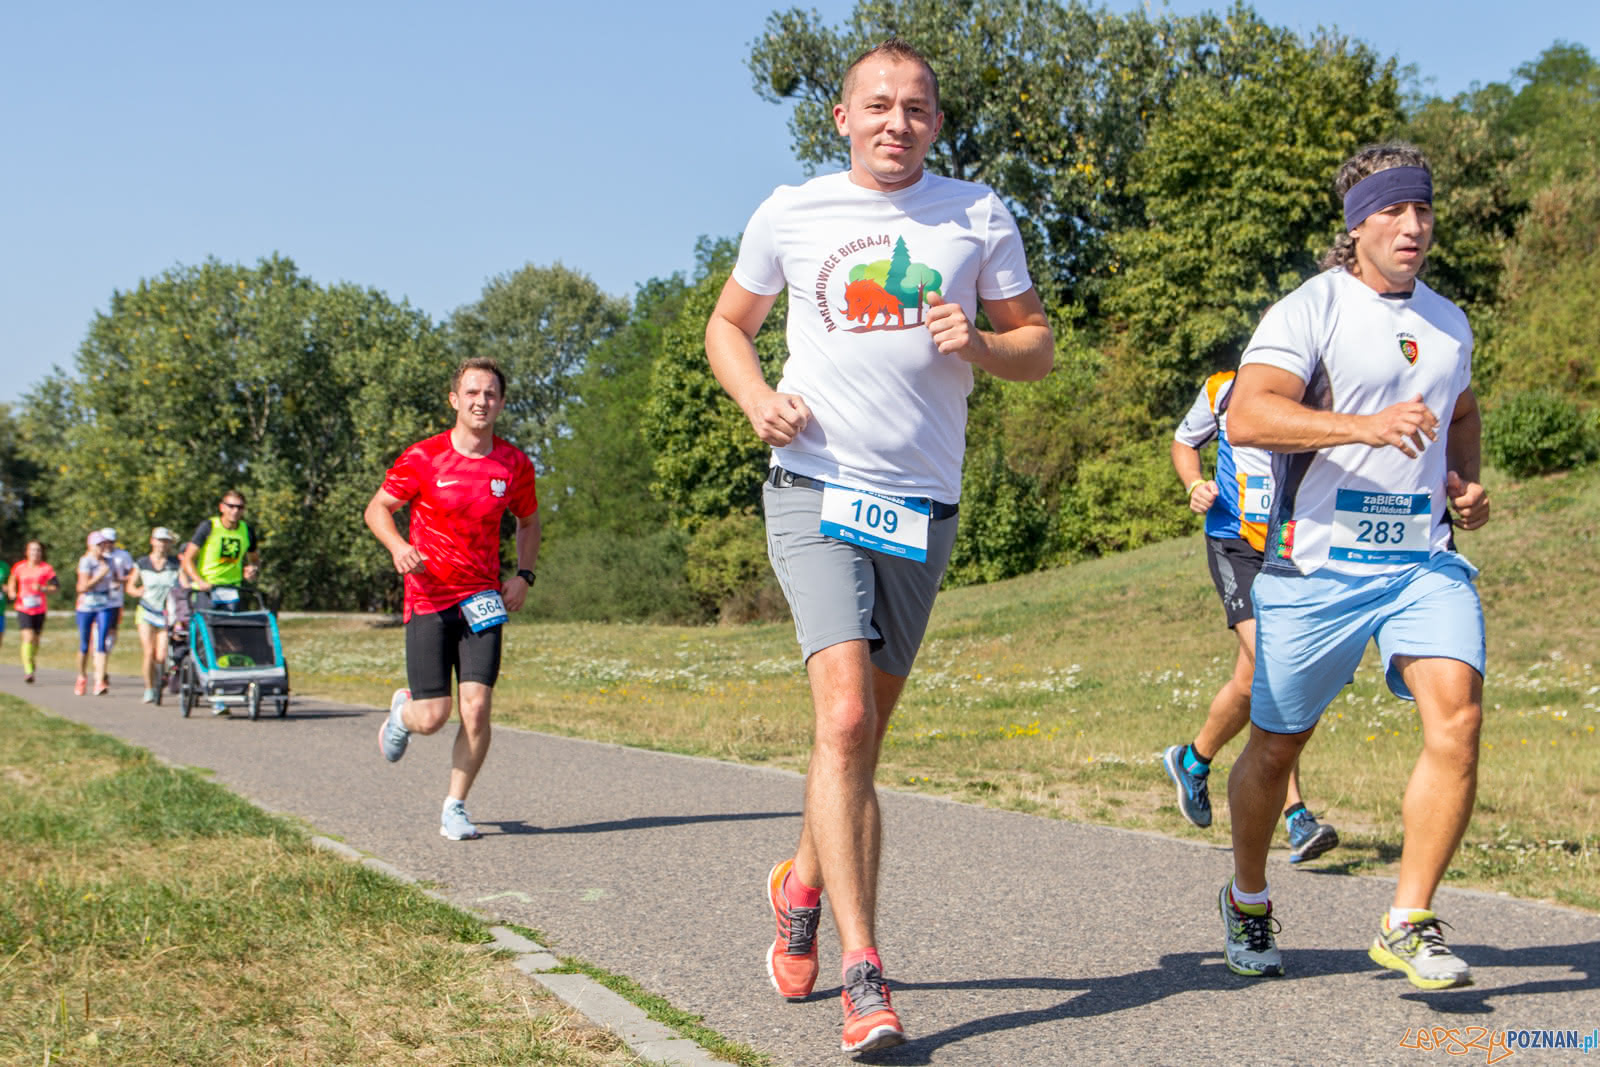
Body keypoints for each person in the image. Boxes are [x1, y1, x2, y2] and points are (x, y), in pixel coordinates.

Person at [705, 38, 1053, 1054]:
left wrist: (981, 344)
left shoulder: (977, 213)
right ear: (841, 118)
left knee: (855, 741)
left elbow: (1034, 346)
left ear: (935, 123)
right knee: (845, 715)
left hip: (920, 507)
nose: (895, 122)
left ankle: (800, 881)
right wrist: (757, 396)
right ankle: (865, 970)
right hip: (815, 484)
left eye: (915, 109)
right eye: (876, 106)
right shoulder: (791, 210)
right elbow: (730, 324)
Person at [1219, 142, 1489, 991]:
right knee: (1274, 748)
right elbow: (1249, 416)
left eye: (1423, 210)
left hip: (1422, 562)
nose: (1413, 227)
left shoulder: (1449, 321)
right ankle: (1249, 896)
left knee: (1460, 716)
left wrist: (1467, 484)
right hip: (1317, 568)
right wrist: (1361, 427)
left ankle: (1408, 918)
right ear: (1357, 223)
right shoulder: (1311, 308)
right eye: (1393, 211)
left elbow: (1464, 408)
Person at [1164, 371, 1338, 864]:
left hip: (1288, 545)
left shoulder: (1317, 393)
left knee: (1250, 681)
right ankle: (1296, 814)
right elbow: (1184, 440)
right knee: (1278, 667)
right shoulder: (1222, 387)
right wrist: (1194, 482)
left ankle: (1193, 760)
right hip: (1233, 541)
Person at [364, 357, 540, 843]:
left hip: (482, 597)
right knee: (433, 717)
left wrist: (523, 574)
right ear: (455, 400)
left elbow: (528, 521)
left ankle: (455, 807)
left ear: (501, 403)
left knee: (477, 708)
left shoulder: (514, 464)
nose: (481, 401)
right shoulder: (423, 457)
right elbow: (378, 508)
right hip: (428, 595)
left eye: (490, 394)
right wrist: (399, 547)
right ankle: (403, 712)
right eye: (472, 393)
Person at [126, 527, 183, 703]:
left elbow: (182, 586)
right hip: (146, 611)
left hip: (166, 613)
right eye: (159, 540)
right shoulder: (142, 563)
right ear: (152, 541)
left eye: (165, 541)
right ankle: (149, 688)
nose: (161, 544)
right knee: (149, 652)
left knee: (162, 654)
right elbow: (130, 587)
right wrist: (137, 592)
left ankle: (162, 677)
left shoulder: (175, 564)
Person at [180, 491, 261, 605]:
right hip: (207, 589)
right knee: (207, 623)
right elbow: (187, 559)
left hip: (233, 590)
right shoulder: (209, 527)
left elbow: (255, 560)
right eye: (231, 506)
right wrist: (199, 581)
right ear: (222, 507)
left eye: (239, 507)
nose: (235, 511)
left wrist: (253, 569)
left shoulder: (247, 531)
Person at [75, 531, 120, 695]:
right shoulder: (85, 562)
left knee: (102, 642)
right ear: (90, 546)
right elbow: (82, 587)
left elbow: (116, 578)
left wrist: (116, 583)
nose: (103, 547)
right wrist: (100, 575)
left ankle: (99, 681)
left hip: (104, 604)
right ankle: (81, 677)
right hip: (86, 605)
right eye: (99, 545)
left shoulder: (109, 562)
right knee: (85, 645)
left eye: (104, 544)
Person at [7, 540, 58, 682]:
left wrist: (43, 589)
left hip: (39, 608)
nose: (35, 553)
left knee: (35, 639)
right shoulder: (19, 567)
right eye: (32, 550)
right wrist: (12, 591)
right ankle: (28, 670)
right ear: (27, 552)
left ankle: (31, 658)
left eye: (38, 550)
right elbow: (12, 580)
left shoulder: (46, 569)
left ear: (42, 553)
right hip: (23, 607)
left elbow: (56, 586)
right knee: (27, 637)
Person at [96, 527, 136, 656]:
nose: (108, 544)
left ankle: (105, 654)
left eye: (111, 541)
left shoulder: (123, 555)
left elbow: (133, 574)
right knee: (97, 627)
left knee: (112, 629)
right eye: (105, 541)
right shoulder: (96, 555)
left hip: (115, 598)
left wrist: (121, 580)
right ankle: (98, 653)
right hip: (97, 598)